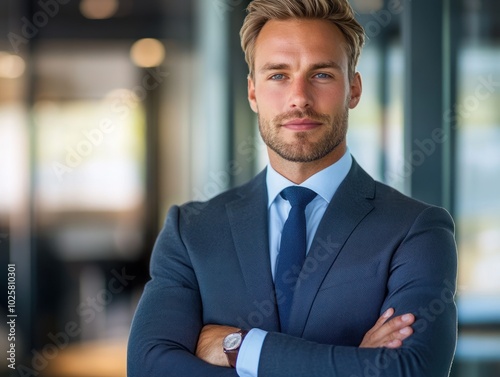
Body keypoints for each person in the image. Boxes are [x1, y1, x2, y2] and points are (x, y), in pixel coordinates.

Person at [127, 0, 458, 376]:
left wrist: (242, 348)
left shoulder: (417, 230)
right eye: (278, 75)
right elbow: (148, 367)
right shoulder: (191, 232)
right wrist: (356, 362)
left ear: (353, 88)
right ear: (253, 92)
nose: (299, 97)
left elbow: (410, 370)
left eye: (321, 75)